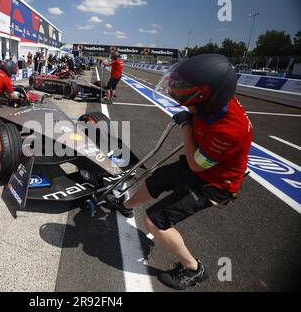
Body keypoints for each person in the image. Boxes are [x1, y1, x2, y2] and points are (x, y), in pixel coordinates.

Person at [104, 54, 253, 290]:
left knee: (155, 221)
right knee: (158, 179)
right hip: (203, 166)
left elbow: (196, 164)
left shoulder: (229, 130)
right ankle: (125, 205)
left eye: (187, 94)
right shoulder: (213, 102)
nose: (181, 97)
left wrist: (186, 125)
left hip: (215, 184)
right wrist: (191, 116)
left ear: (205, 97)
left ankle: (192, 268)